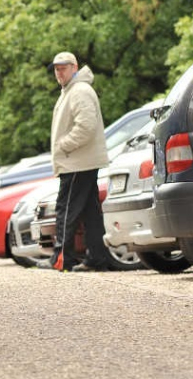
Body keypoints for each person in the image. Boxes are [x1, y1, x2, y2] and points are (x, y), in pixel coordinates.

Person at [39, 52, 110, 272]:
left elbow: (86, 127)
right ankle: (98, 258)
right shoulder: (72, 90)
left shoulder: (79, 91)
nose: (59, 72)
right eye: (56, 69)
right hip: (80, 162)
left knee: (66, 210)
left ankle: (63, 258)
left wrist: (63, 145)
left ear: (74, 67)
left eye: (63, 68)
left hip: (77, 162)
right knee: (90, 213)